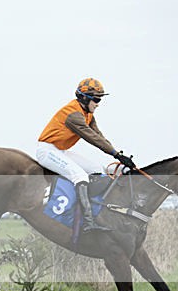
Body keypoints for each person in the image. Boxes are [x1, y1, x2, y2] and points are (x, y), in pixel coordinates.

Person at [36, 78, 136, 231]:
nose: (98, 103)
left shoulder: (87, 113)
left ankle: (94, 209)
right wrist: (115, 155)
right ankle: (88, 222)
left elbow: (99, 135)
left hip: (60, 151)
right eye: (96, 99)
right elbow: (92, 138)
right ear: (84, 98)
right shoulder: (73, 115)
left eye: (100, 99)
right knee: (80, 176)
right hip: (47, 151)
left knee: (97, 169)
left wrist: (119, 154)